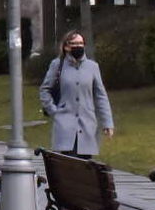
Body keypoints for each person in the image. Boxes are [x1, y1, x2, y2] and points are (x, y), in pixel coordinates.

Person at [38, 30, 115, 158]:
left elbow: (101, 96)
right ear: (66, 47)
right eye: (74, 43)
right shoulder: (57, 65)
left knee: (85, 166)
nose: (78, 46)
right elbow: (44, 90)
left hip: (87, 126)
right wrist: (54, 111)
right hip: (64, 125)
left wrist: (107, 123)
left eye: (81, 43)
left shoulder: (92, 67)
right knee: (68, 164)